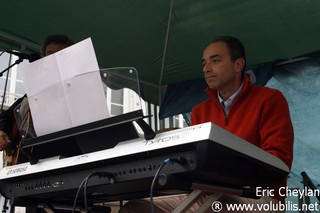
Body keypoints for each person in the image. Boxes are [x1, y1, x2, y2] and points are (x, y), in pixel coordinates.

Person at [119, 36, 294, 212]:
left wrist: (224, 173)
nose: (206, 69)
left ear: (238, 65)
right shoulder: (199, 111)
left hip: (258, 196)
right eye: (204, 63)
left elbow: (279, 161)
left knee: (216, 206)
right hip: (204, 192)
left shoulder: (270, 99)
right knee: (136, 208)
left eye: (215, 60)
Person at [0, 34, 74, 159]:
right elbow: (7, 115)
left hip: (62, 158)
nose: (53, 58)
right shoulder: (34, 91)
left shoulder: (78, 87)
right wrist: (2, 131)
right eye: (49, 54)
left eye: (60, 54)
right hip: (27, 161)